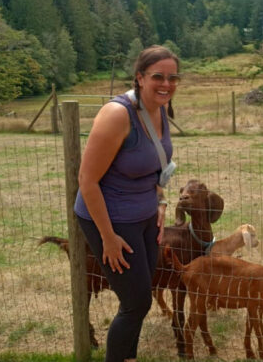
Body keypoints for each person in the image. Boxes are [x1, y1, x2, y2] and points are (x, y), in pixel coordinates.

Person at [74, 45, 180, 362]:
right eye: (158, 77)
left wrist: (161, 204)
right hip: (111, 219)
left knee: (140, 299)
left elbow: (156, 167)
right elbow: (87, 181)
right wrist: (107, 238)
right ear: (140, 78)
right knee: (136, 303)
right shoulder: (117, 115)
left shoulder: (159, 107)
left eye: (173, 78)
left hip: (146, 215)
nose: (166, 84)